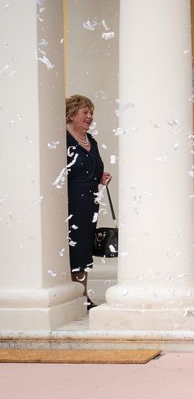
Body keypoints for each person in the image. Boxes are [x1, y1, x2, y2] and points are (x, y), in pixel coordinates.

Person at [65, 95, 112, 310]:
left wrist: (101, 178)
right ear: (72, 113)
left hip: (89, 203)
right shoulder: (63, 138)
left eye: (91, 112)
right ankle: (73, 297)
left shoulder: (90, 140)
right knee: (71, 248)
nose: (90, 117)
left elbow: (95, 169)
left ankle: (82, 296)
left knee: (83, 249)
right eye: (85, 112)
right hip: (70, 203)